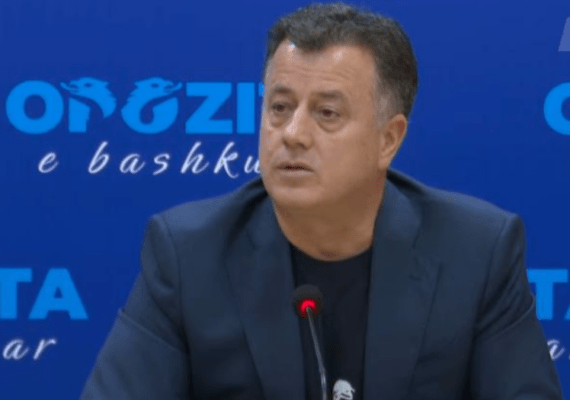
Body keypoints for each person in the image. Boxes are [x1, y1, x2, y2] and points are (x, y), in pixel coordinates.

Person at [80, 2, 564, 399]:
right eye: (280, 107)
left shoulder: (476, 251)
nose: (292, 134)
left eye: (326, 113)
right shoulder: (189, 253)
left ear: (389, 139)